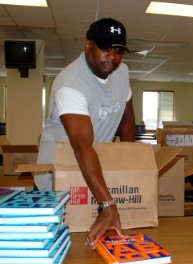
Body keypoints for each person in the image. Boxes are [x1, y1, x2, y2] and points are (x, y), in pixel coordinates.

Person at [35, 17, 135, 250]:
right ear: (87, 44)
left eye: (119, 50)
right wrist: (109, 205)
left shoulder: (122, 73)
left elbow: (127, 118)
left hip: (91, 175)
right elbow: (82, 146)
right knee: (59, 260)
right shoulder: (70, 84)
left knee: (99, 254)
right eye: (105, 48)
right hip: (56, 182)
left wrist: (127, 165)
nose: (112, 56)